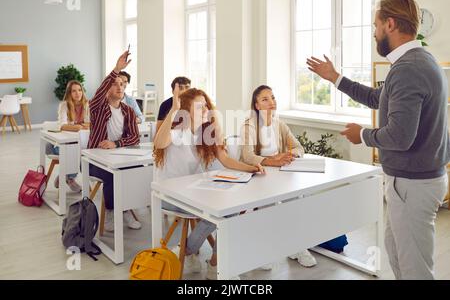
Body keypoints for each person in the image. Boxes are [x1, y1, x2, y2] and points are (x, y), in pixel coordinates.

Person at [307, 0, 450, 279]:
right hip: (414, 181)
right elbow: (378, 98)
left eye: (375, 25)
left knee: (415, 268)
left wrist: (362, 135)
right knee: (397, 254)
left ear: (390, 23)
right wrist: (336, 78)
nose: (374, 32)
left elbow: (399, 137)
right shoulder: (417, 60)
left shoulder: (408, 68)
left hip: (413, 184)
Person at [153, 86, 265, 280]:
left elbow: (225, 159)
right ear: (186, 112)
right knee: (220, 211)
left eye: (206, 105)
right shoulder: (179, 131)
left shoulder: (206, 132)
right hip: (168, 195)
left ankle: (214, 262)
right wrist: (173, 109)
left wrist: (253, 168)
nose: (206, 110)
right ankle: (190, 250)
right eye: (199, 107)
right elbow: (159, 143)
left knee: (233, 207)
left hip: (191, 193)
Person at [240, 85, 317, 268]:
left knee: (296, 202)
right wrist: (272, 160)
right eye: (265, 99)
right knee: (269, 208)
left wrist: (290, 156)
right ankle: (263, 251)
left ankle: (297, 247)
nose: (271, 102)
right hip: (259, 176)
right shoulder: (249, 125)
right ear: (257, 105)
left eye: (272, 98)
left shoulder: (279, 124)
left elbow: (299, 147)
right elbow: (247, 156)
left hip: (281, 175)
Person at [88, 51, 142, 231]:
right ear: (107, 89)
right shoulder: (98, 107)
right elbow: (99, 91)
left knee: (137, 170)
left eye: (122, 85)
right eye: (115, 84)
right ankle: (111, 211)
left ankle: (125, 209)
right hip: (94, 161)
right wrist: (117, 68)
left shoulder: (129, 111)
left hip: (119, 156)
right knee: (113, 175)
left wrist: (116, 144)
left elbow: (135, 136)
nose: (120, 88)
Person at [47, 80, 90, 192]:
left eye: (80, 90)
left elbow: (91, 123)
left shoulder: (86, 104)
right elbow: (62, 125)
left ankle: (65, 176)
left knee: (82, 153)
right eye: (74, 91)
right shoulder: (64, 105)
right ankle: (69, 178)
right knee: (75, 153)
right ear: (69, 93)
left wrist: (76, 125)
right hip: (58, 146)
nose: (78, 93)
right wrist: (80, 126)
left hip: (78, 143)